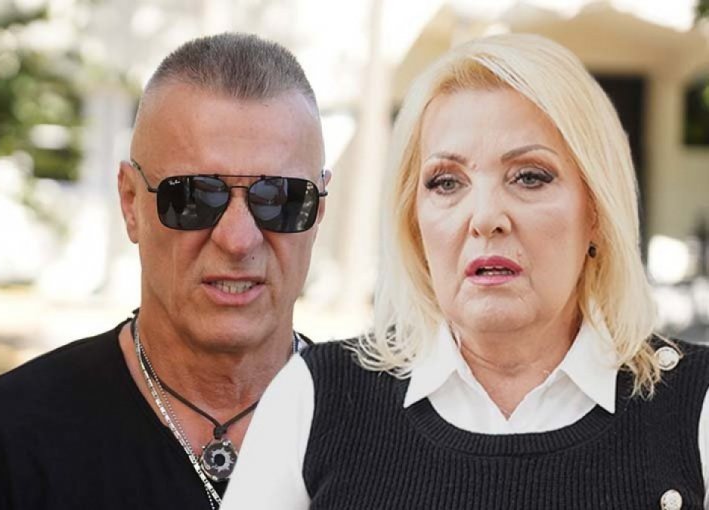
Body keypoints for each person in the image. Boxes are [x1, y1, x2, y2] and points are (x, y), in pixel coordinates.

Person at [221, 33, 709, 509]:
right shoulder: (315, 397)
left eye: (530, 177)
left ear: (596, 210)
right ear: (414, 221)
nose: (485, 217)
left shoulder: (696, 405)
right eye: (446, 182)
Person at [0, 32, 329, 510]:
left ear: (318, 211)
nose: (238, 238)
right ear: (130, 203)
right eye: (194, 196)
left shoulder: (394, 439)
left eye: (281, 199)